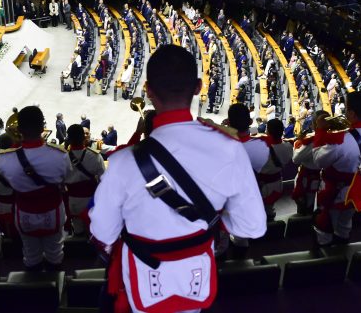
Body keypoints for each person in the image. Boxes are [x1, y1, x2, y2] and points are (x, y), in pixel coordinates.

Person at [89, 45, 266, 313]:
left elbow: (103, 232)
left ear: (147, 91)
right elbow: (252, 227)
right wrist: (212, 220)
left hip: (144, 282)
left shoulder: (122, 162)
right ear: (198, 87)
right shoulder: (230, 148)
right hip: (197, 276)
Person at [0, 106, 72, 270]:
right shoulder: (60, 155)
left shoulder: (4, 159)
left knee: (30, 253)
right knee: (55, 252)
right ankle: (56, 284)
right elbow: (66, 177)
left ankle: (34, 286)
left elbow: (1, 175)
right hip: (53, 211)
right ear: (43, 127)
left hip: (24, 213)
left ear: (19, 129)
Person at [311, 92, 361, 246]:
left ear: (351, 113)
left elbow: (318, 161)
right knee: (345, 222)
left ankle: (325, 254)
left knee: (324, 227)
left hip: (336, 194)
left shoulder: (340, 140)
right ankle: (343, 249)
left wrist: (320, 131)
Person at [64, 124, 105, 235]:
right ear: (84, 138)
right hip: (91, 201)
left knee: (78, 231)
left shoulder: (63, 158)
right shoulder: (95, 156)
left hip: (72, 201)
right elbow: (104, 180)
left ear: (69, 139)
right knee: (93, 231)